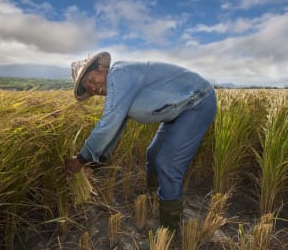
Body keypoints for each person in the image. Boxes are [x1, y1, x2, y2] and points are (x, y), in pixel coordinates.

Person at [65, 51, 217, 234]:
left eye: (90, 79)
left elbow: (108, 123)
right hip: (177, 112)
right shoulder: (120, 88)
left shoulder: (120, 74)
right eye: (87, 87)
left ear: (101, 67)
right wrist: (95, 163)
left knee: (167, 164)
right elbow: (116, 130)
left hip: (197, 103)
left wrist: (81, 159)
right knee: (153, 154)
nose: (92, 88)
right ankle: (154, 195)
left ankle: (168, 231)